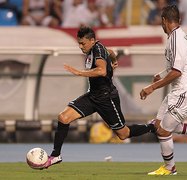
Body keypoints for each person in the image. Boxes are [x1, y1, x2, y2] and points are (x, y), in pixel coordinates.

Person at [42, 26, 155, 169]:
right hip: (93, 96)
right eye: (79, 43)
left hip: (107, 98)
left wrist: (79, 72)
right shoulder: (97, 48)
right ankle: (55, 155)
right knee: (63, 117)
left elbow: (101, 71)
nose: (80, 46)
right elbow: (112, 52)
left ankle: (151, 126)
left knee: (123, 134)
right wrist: (113, 60)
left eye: (83, 43)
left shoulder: (98, 49)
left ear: (92, 41)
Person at [140, 5, 187, 175]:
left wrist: (152, 87)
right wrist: (160, 75)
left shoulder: (176, 39)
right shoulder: (176, 37)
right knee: (159, 125)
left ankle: (170, 168)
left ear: (163, 21)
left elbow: (177, 71)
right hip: (177, 91)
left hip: (185, 91)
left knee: (163, 131)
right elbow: (180, 65)